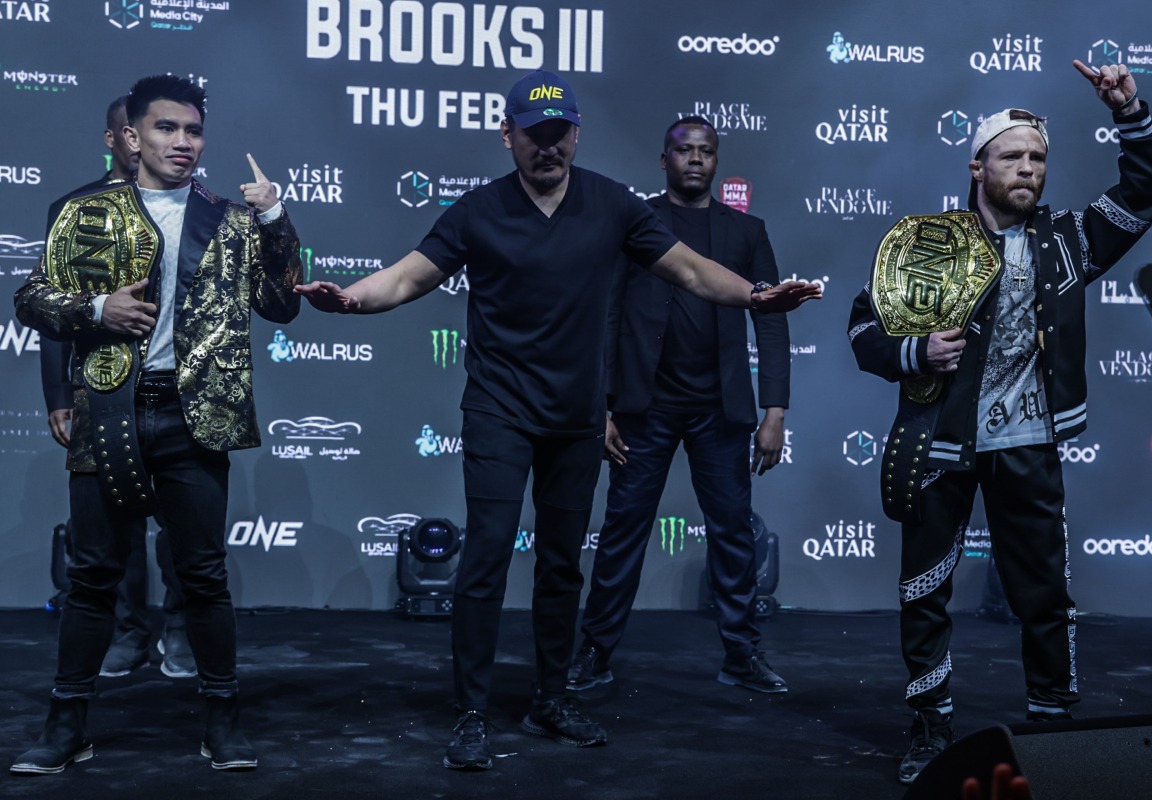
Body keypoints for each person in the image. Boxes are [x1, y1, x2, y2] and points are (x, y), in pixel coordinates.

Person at [296, 69, 820, 772]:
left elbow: (692, 271)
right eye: (533, 134)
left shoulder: (613, 205)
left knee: (560, 566)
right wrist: (352, 301)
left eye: (559, 133)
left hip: (576, 418)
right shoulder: (477, 210)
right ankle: (473, 713)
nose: (548, 147)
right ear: (507, 135)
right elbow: (410, 276)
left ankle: (549, 699)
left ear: (576, 134)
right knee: (483, 560)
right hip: (499, 411)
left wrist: (756, 297)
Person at [847, 61, 1152, 784]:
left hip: (1029, 442)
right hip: (941, 442)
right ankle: (931, 727)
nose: (1028, 169)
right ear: (977, 164)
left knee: (1044, 593)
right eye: (1012, 156)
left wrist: (1129, 110)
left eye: (1038, 158)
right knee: (926, 590)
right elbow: (862, 330)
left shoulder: (1069, 239)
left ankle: (1053, 723)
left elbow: (1148, 191)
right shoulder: (929, 242)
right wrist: (915, 350)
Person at [12, 74, 303, 774]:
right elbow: (31, 300)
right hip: (107, 409)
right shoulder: (84, 212)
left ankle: (222, 721)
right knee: (91, 578)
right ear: (132, 135)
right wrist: (95, 311)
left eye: (193, 131)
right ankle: (66, 725)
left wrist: (275, 220)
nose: (183, 142)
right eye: (167, 128)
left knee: (201, 577)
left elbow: (283, 305)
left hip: (193, 415)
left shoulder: (230, 218)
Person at [566, 116, 806, 696]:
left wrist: (775, 410)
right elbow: (607, 315)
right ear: (664, 159)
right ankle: (595, 651)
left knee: (733, 535)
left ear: (716, 161)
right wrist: (602, 406)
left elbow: (770, 323)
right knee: (623, 532)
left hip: (720, 411)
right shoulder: (635, 223)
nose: (694, 160)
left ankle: (742, 655)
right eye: (683, 151)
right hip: (642, 410)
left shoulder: (747, 232)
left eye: (705, 151)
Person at [41, 95, 194, 681]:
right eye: (134, 135)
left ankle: (179, 629)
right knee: (113, 530)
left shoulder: (191, 212)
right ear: (118, 139)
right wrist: (59, 397)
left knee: (183, 529)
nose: (145, 145)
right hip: (101, 396)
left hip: (178, 397)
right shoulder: (74, 210)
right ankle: (128, 632)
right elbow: (54, 312)